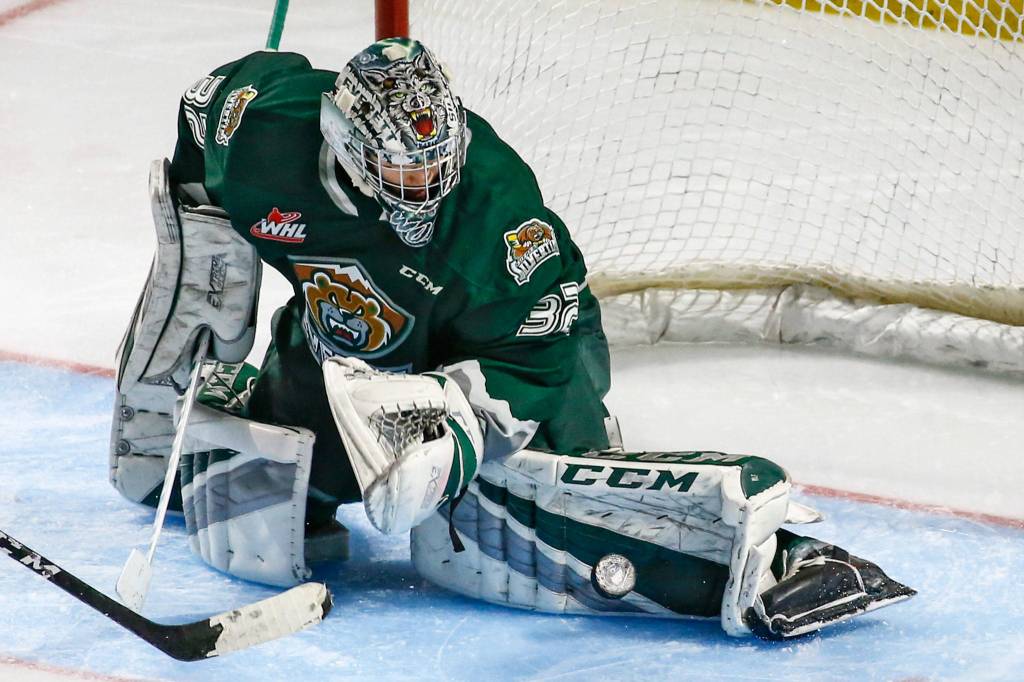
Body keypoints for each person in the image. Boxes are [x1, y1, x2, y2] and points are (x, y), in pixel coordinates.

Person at [109, 37, 914, 638]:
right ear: (344, 144)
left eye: (435, 165)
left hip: (512, 351)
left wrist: (450, 435)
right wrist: (205, 241)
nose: (424, 188)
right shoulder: (261, 130)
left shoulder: (498, 214)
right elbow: (203, 107)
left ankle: (774, 564)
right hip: (340, 349)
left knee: (529, 506)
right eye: (402, 173)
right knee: (265, 490)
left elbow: (537, 354)